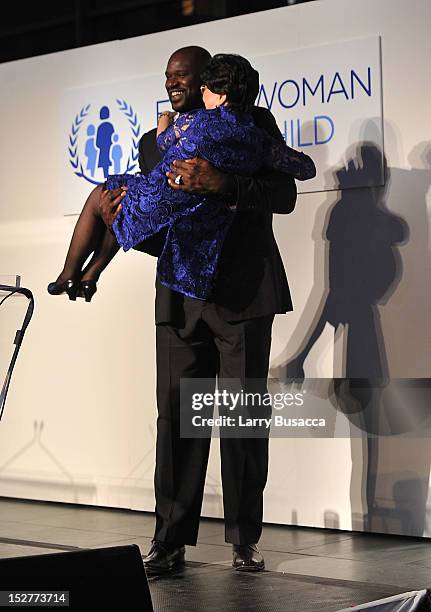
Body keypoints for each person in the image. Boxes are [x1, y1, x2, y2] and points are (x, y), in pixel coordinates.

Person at [79, 46, 309, 575]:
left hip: (245, 292)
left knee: (243, 421)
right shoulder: (154, 141)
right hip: (179, 296)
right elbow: (156, 198)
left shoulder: (254, 123)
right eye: (168, 77)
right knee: (178, 422)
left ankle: (244, 540)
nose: (173, 84)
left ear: (209, 79)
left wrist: (225, 184)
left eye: (184, 75)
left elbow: (284, 193)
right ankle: (170, 539)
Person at [47, 54, 314, 303]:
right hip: (179, 282)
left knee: (105, 195)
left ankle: (70, 273)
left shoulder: (197, 122)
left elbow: (163, 141)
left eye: (203, 87)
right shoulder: (258, 140)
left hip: (233, 281)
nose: (199, 91)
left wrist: (165, 120)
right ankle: (89, 273)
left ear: (219, 96)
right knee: (116, 206)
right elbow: (305, 168)